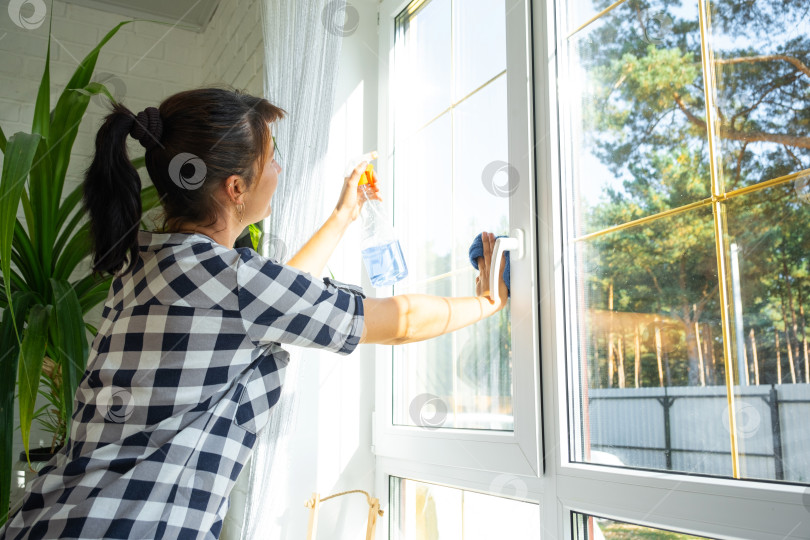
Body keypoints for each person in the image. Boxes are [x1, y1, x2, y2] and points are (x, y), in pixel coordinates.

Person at [0, 86, 508, 539]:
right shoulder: (235, 282)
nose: (280, 170)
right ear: (236, 188)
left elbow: (271, 302)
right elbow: (401, 322)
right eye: (271, 158)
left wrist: (342, 216)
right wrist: (485, 303)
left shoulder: (144, 262)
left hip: (50, 517)